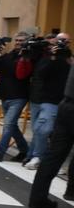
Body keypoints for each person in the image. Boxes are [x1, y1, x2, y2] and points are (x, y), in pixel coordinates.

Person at [28, 35, 74, 208]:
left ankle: (37, 197)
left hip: (66, 106)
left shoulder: (68, 60)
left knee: (54, 155)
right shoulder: (59, 59)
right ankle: (71, 191)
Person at [0, 30, 34, 162]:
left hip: (19, 95)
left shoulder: (28, 56)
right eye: (16, 40)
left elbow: (18, 72)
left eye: (21, 41)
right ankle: (24, 151)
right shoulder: (9, 55)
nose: (18, 43)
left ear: (27, 42)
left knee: (8, 124)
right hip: (5, 94)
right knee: (12, 126)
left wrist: (4, 55)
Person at [22, 32, 70, 169]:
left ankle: (41, 157)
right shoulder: (48, 57)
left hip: (62, 100)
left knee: (52, 131)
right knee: (41, 129)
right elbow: (41, 73)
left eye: (66, 41)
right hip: (47, 99)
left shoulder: (68, 57)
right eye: (60, 41)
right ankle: (36, 156)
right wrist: (53, 57)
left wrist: (66, 56)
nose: (63, 43)